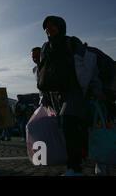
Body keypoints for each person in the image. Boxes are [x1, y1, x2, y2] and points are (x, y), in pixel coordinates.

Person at [37, 15, 105, 176]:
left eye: (53, 25)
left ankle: (74, 168)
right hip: (56, 94)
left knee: (69, 123)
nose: (49, 29)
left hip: (75, 90)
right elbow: (43, 72)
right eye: (47, 27)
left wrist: (96, 88)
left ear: (61, 26)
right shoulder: (46, 47)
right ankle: (86, 159)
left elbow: (89, 65)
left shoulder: (72, 42)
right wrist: (44, 94)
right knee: (72, 128)